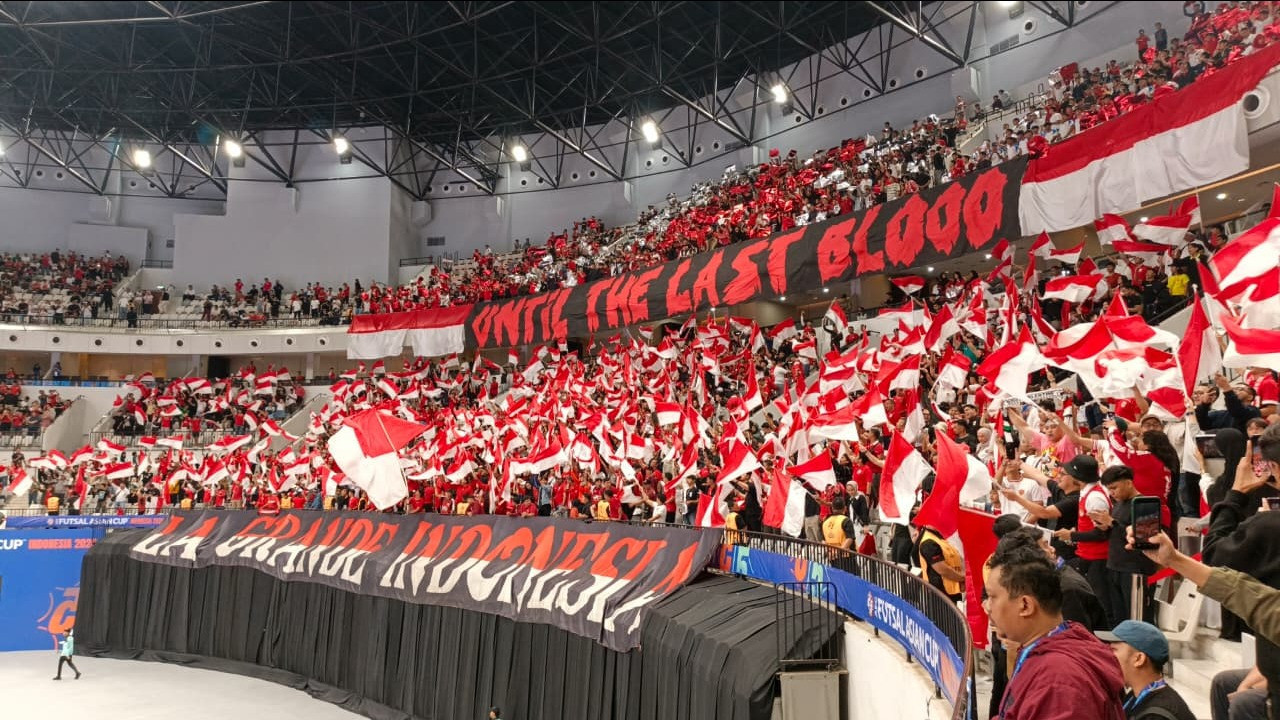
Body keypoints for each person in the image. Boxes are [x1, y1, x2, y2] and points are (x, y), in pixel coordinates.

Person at [985, 543, 1126, 720]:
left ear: (1025, 605)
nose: (988, 607)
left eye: (992, 597)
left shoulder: (1059, 681)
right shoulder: (1054, 643)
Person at [1095, 620, 1196, 720]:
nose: (1108, 655)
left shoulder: (1157, 715)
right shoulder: (1134, 696)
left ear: (1139, 659)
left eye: (1114, 650)